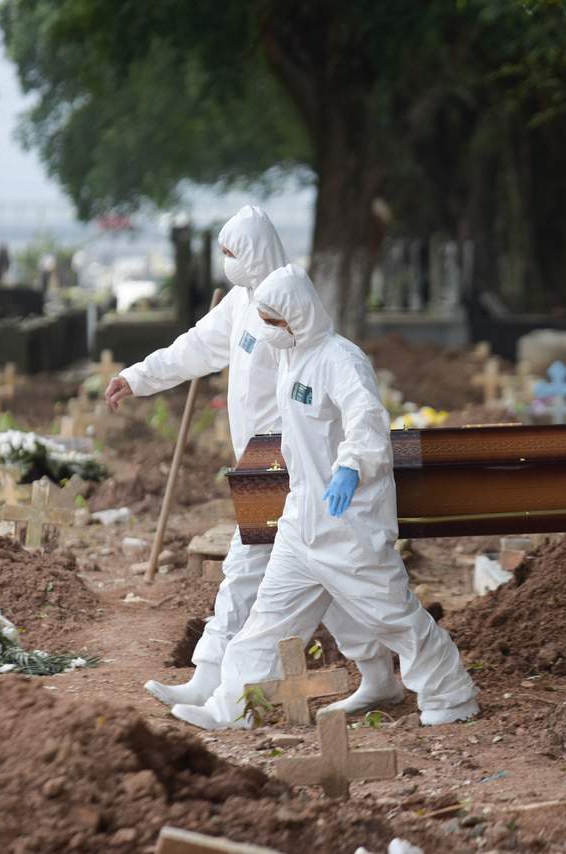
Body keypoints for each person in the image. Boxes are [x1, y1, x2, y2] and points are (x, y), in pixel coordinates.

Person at [106, 206, 401, 713]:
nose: (227, 262)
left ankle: (214, 681)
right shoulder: (243, 304)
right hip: (259, 461)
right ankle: (375, 675)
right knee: (317, 574)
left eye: (232, 252)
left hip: (288, 462)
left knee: (249, 567)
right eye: (224, 253)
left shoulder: (287, 307)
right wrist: (139, 377)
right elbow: (196, 347)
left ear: (256, 252)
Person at [170, 263, 479, 731]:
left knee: (393, 616)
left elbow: (366, 419)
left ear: (298, 312)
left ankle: (450, 693)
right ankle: (229, 708)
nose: (270, 330)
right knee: (266, 623)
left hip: (349, 523)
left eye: (275, 320)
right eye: (266, 320)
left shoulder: (341, 359)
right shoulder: (290, 358)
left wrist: (351, 467)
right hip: (301, 521)